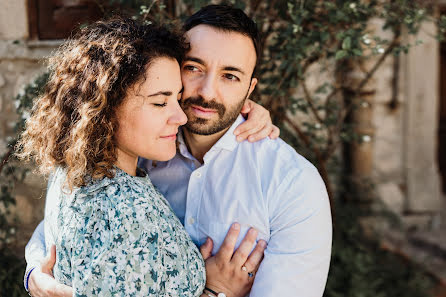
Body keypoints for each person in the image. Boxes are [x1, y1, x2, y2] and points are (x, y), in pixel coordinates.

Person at [26, 4, 333, 297]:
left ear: (249, 90)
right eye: (194, 68)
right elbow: (68, 223)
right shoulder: (137, 143)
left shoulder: (293, 184)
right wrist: (35, 278)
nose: (207, 91)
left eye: (230, 76)